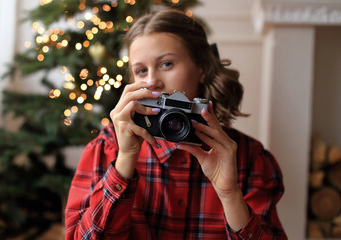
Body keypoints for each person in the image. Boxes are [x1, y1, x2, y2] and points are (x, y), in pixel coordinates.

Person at [65, 9, 287, 240]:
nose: (152, 81)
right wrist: (125, 161)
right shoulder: (107, 148)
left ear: (201, 69)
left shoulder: (249, 157)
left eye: (167, 64)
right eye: (141, 70)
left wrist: (230, 194)